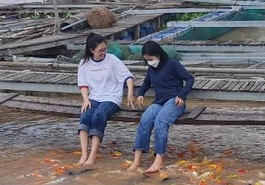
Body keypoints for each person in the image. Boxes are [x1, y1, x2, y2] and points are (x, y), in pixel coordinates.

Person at [127, 41, 195, 174]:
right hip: (159, 101)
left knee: (160, 121)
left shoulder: (173, 64)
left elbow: (190, 79)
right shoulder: (151, 68)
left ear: (158, 55)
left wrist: (182, 95)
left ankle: (158, 159)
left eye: (151, 59)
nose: (149, 62)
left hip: (175, 101)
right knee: (145, 119)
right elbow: (147, 82)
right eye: (146, 60)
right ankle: (137, 159)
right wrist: (141, 94)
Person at [76, 33, 135, 165]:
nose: (104, 52)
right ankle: (84, 154)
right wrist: (86, 100)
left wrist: (130, 93)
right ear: (92, 50)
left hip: (111, 97)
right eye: (100, 50)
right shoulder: (84, 63)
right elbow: (83, 85)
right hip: (94, 97)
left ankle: (92, 156)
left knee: (98, 115)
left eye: (105, 49)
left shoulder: (112, 59)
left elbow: (128, 77)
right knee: (85, 115)